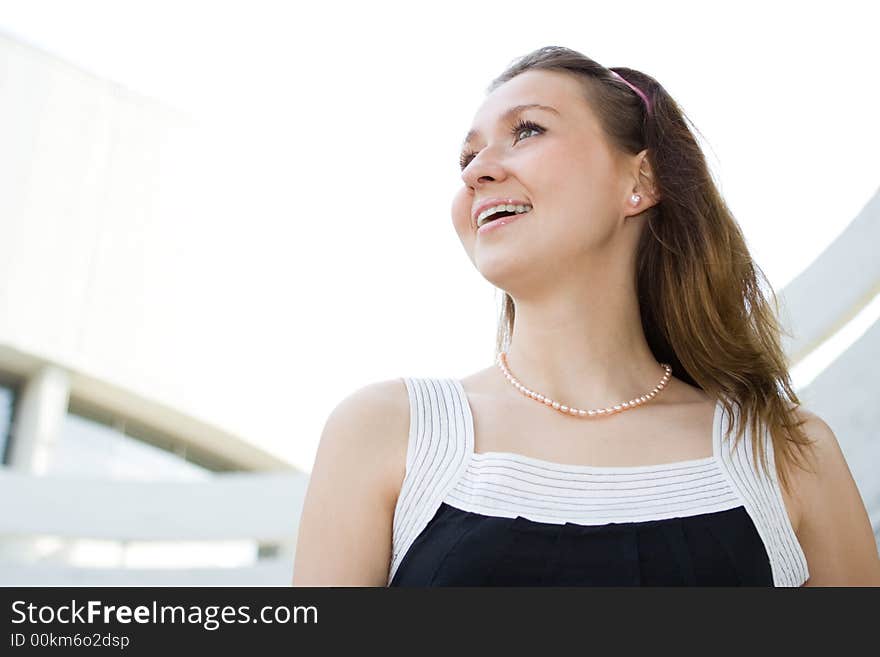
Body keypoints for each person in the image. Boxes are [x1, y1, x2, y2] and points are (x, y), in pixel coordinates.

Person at [292, 46, 880, 586]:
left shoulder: (784, 453)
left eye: (527, 130)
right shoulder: (386, 432)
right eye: (467, 157)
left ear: (640, 180)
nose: (476, 171)